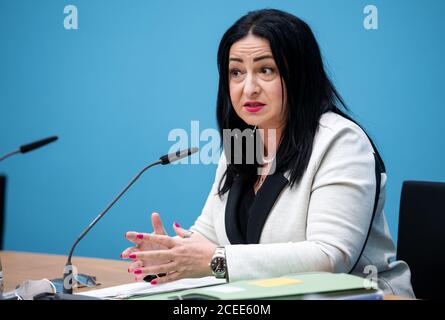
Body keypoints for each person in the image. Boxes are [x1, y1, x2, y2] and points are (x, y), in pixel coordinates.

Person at [120, 9, 414, 298]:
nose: (249, 88)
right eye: (236, 72)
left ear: (299, 75)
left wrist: (215, 262)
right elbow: (208, 236)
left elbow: (329, 258)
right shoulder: (243, 142)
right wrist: (169, 255)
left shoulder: (340, 141)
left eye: (266, 70)